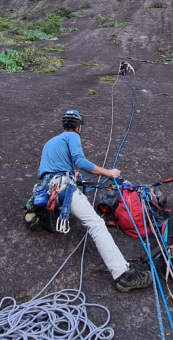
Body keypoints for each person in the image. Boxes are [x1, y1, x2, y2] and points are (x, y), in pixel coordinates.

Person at [35, 109, 152, 292]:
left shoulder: (49, 143)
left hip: (46, 191)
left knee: (91, 220)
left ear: (63, 125)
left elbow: (47, 170)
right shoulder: (72, 136)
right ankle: (123, 274)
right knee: (96, 223)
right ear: (79, 126)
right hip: (64, 189)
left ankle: (42, 215)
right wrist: (109, 172)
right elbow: (80, 161)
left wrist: (70, 171)